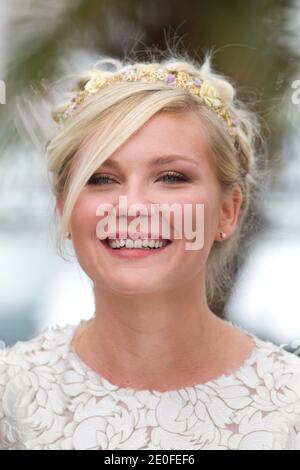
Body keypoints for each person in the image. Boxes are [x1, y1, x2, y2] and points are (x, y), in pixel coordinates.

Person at [1, 48, 300, 451]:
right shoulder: (11, 400)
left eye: (171, 177)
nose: (133, 207)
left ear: (228, 212)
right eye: (102, 179)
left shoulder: (290, 406)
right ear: (65, 211)